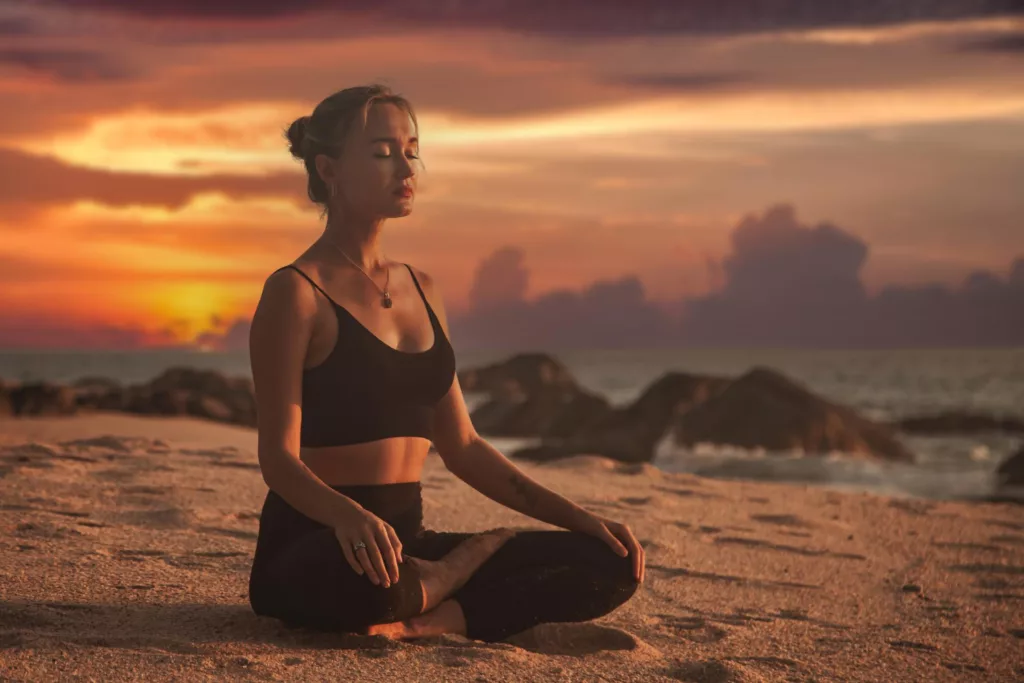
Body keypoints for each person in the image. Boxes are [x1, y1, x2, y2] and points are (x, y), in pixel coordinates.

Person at [247, 84, 643, 643]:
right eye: (383, 152)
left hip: (407, 545)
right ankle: (454, 574)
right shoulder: (296, 293)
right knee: (372, 586)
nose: (405, 166)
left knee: (610, 562)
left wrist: (579, 518)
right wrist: (347, 515)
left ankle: (432, 618)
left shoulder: (423, 289)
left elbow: (463, 447)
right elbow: (278, 460)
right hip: (320, 542)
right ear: (329, 169)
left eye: (411, 149)